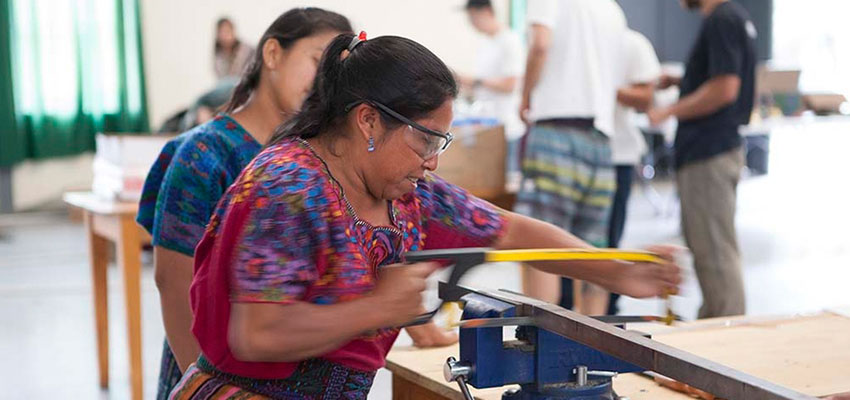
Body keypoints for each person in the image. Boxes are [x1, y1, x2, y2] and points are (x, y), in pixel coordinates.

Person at [169, 32, 681, 399]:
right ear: (368, 120)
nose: (433, 159)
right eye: (425, 138)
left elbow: (516, 232)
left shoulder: (409, 194)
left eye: (441, 140)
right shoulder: (287, 186)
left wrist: (619, 268)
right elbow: (256, 333)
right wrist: (377, 308)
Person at [137, 8, 353, 399]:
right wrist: (207, 390)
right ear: (272, 54)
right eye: (317, 61)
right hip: (214, 380)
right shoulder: (204, 153)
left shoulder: (312, 158)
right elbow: (174, 285)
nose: (325, 83)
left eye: (337, 72)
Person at [516, 0, 628, 315]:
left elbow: (540, 45)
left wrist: (524, 97)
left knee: (538, 248)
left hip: (556, 134)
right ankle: (591, 353)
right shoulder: (612, 10)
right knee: (592, 258)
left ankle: (539, 348)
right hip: (601, 142)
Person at [648, 0, 756, 318]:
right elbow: (721, 76)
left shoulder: (721, 19)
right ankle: (718, 327)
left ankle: (723, 344)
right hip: (714, 151)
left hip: (709, 154)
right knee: (711, 249)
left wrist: (668, 110)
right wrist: (682, 82)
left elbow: (725, 88)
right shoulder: (733, 18)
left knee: (715, 256)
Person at [607, 29, 661, 315]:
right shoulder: (562, 38)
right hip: (570, 154)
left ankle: (607, 320)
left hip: (617, 154)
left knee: (607, 245)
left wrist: (599, 88)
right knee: (560, 252)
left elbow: (645, 97)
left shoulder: (630, 42)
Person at [457, 0, 525, 176]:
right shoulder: (486, 44)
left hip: (507, 128)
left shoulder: (510, 40)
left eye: (473, 17)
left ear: (486, 12)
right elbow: (483, 86)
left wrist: (475, 81)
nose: (472, 23)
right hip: (488, 126)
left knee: (507, 182)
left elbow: (511, 84)